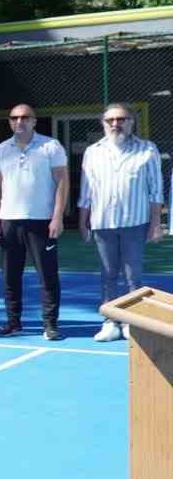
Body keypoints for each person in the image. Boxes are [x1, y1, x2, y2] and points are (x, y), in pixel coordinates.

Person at [79, 103, 163, 341]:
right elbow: (86, 191)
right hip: (102, 223)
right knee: (108, 276)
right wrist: (83, 223)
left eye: (121, 119)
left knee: (133, 277)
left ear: (131, 122)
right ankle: (110, 322)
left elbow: (156, 190)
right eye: (110, 120)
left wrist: (156, 223)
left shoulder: (148, 149)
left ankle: (131, 322)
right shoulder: (92, 152)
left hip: (135, 223)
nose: (115, 124)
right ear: (103, 124)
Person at [0, 104, 69, 340]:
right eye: (14, 118)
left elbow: (62, 182)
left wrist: (57, 217)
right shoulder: (1, 150)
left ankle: (50, 324)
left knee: (47, 276)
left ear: (34, 121)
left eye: (24, 117)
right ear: (9, 122)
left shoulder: (51, 146)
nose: (19, 121)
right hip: (8, 222)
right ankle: (13, 322)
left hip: (42, 222)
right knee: (10, 276)